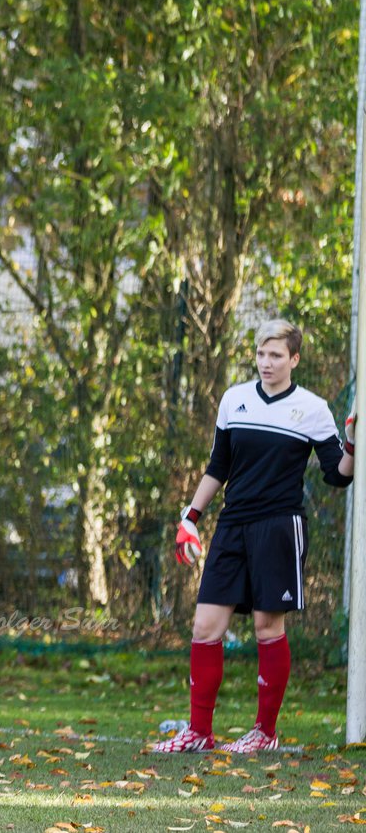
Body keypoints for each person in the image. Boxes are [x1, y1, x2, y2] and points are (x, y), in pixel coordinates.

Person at [152, 319, 354, 754]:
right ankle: (199, 733)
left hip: (279, 528)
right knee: (205, 626)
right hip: (231, 525)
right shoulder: (234, 400)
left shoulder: (313, 408)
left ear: (294, 360)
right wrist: (191, 517)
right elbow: (218, 467)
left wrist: (353, 445)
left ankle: (265, 732)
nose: (266, 362)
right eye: (262, 354)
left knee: (267, 628)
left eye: (276, 355)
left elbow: (337, 477)